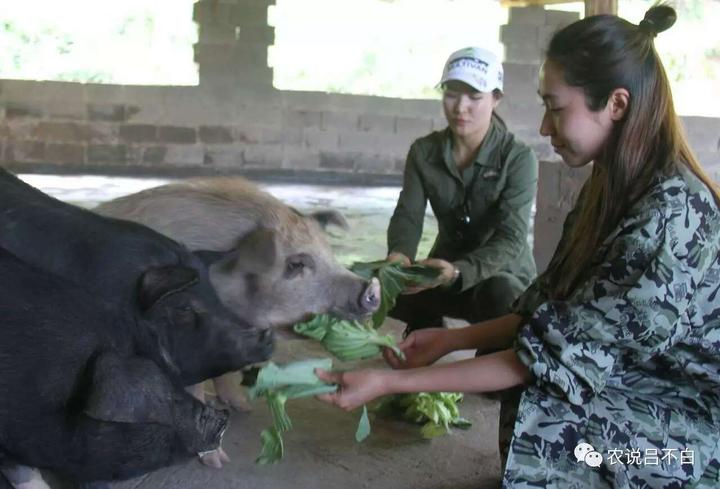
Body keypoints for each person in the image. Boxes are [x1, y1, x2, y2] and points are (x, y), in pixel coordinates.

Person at [317, 5, 720, 487]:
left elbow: (544, 353)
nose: (546, 128)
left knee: (553, 421)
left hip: (693, 421)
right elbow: (552, 305)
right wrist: (448, 340)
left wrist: (390, 381)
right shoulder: (607, 188)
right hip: (646, 382)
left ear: (616, 105)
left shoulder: (669, 215)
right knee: (537, 408)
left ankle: (685, 471)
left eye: (556, 108)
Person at [386, 46, 538, 336]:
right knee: (382, 282)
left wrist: (458, 272)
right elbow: (408, 215)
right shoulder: (424, 152)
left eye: (474, 97)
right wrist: (399, 255)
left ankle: (494, 344)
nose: (460, 107)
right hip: (443, 270)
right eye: (451, 94)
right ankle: (426, 327)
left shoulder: (517, 158)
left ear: (496, 98)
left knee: (503, 294)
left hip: (498, 273)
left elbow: (511, 237)